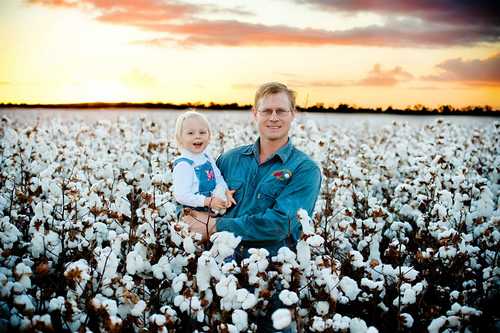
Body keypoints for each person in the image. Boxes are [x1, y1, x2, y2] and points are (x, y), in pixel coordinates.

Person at [185, 82, 322, 256]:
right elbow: (193, 199)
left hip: (270, 275)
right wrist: (188, 217)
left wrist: (215, 226)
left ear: (292, 115)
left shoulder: (305, 170)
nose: (273, 117)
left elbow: (280, 225)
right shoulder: (229, 159)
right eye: (266, 111)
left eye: (280, 111)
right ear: (255, 113)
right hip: (216, 266)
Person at [172, 111, 235, 220]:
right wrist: (207, 201)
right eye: (190, 133)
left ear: (209, 136)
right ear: (180, 139)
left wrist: (225, 191)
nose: (197, 136)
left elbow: (218, 178)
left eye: (202, 132)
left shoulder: (207, 159)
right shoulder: (184, 165)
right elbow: (181, 196)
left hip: (211, 207)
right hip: (191, 211)